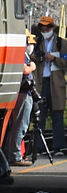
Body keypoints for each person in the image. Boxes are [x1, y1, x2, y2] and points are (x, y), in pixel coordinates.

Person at [2, 31, 39, 166]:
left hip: (21, 93)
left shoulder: (21, 54)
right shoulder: (20, 54)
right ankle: (15, 156)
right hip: (23, 94)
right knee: (20, 126)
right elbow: (24, 70)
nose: (31, 46)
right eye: (29, 42)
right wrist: (32, 67)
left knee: (16, 125)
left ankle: (10, 154)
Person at [32, 15, 67, 155]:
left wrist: (54, 59)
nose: (45, 31)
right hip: (41, 83)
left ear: (53, 28)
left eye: (47, 28)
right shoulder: (37, 41)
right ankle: (39, 148)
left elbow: (65, 62)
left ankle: (59, 147)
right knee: (39, 116)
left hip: (56, 84)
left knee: (57, 116)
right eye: (43, 29)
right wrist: (35, 57)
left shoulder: (61, 43)